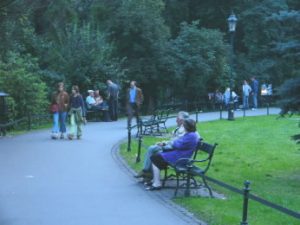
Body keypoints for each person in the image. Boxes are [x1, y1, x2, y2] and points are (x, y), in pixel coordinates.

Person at [134, 111, 191, 179]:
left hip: (173, 151)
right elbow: (174, 141)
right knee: (153, 150)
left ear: (182, 120)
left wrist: (164, 144)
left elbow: (176, 143)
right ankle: (148, 173)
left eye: (177, 118)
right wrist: (164, 142)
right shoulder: (180, 128)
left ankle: (145, 171)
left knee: (152, 149)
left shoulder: (184, 129)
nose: (176, 120)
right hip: (172, 148)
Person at [148, 119, 199, 190]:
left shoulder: (191, 135)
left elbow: (178, 144)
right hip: (179, 154)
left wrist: (173, 143)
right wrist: (170, 143)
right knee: (156, 157)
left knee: (155, 157)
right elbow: (178, 142)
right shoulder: (190, 134)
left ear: (187, 127)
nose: (182, 127)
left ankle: (157, 183)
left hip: (181, 158)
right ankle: (155, 181)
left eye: (183, 126)